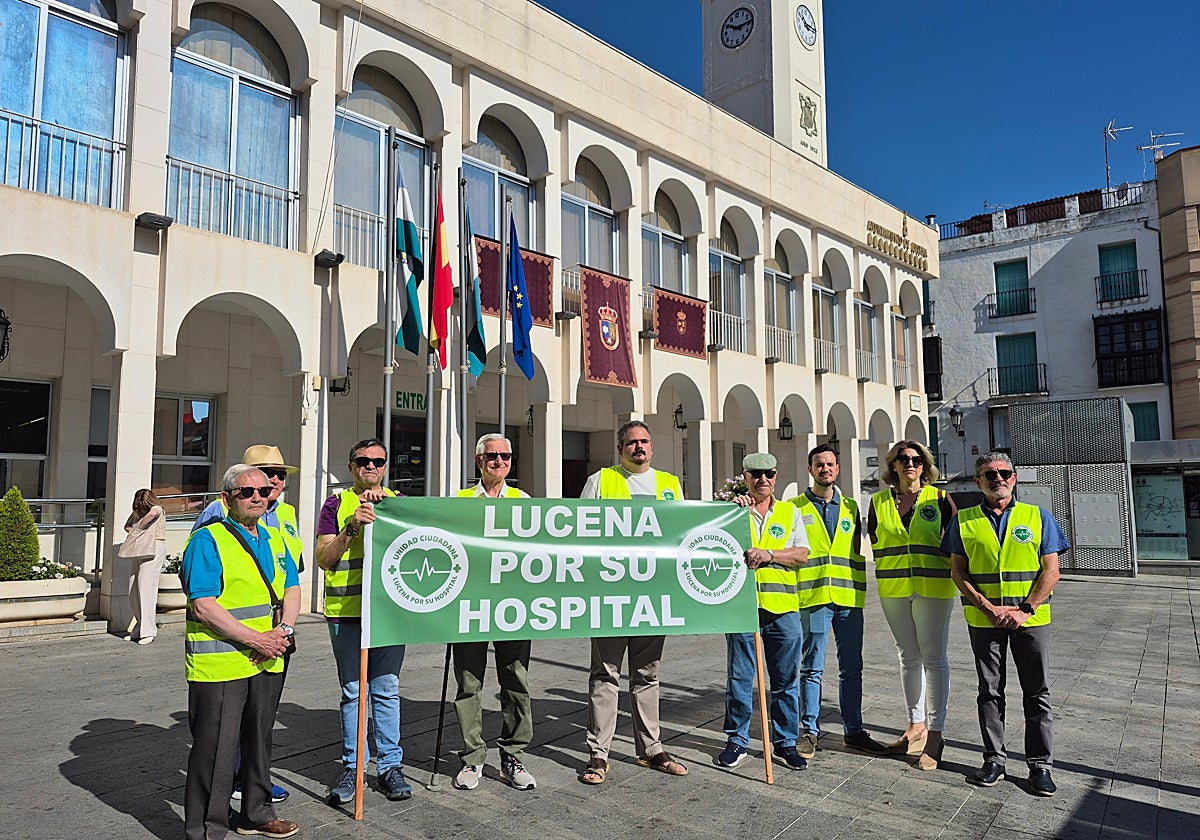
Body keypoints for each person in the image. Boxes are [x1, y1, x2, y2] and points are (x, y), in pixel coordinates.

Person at [181, 464, 300, 840]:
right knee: (215, 750)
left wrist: (285, 630)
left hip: (268, 656)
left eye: (263, 491)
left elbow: (292, 588)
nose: (257, 498)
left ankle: (256, 813)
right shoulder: (208, 539)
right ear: (226, 498)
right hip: (222, 662)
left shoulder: (275, 537)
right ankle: (206, 830)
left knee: (259, 739)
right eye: (246, 492)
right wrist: (256, 639)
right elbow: (203, 604)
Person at [945, 451, 1067, 796]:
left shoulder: (1037, 516)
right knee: (989, 691)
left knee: (1037, 693)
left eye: (1004, 473)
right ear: (978, 482)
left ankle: (1040, 765)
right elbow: (958, 571)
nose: (998, 478)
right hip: (985, 620)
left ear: (1014, 478)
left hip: (1031, 619)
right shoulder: (964, 520)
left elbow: (1051, 570)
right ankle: (994, 760)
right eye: (989, 474)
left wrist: (1025, 609)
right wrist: (986, 607)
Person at [578, 420, 688, 784]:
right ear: (620, 448)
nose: (638, 447)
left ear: (652, 448)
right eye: (631, 442)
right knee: (605, 675)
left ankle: (651, 748)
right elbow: (581, 531)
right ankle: (598, 754)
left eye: (644, 442)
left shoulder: (670, 485)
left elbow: (684, 533)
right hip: (611, 594)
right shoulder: (601, 480)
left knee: (647, 675)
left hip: (653, 595)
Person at [315, 438, 411, 804]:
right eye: (363, 461)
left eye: (378, 461)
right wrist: (352, 527)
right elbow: (325, 558)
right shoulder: (336, 504)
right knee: (353, 693)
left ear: (386, 466)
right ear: (351, 465)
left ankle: (389, 766)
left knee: (386, 689)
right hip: (346, 612)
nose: (370, 466)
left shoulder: (400, 504)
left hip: (387, 612)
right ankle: (353, 766)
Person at [791, 445, 890, 762]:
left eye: (830, 464)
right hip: (814, 597)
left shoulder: (851, 506)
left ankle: (854, 731)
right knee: (811, 668)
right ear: (810, 469)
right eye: (819, 464)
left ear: (838, 468)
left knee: (852, 668)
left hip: (848, 598)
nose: (825, 469)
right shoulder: (794, 508)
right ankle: (809, 731)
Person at [451, 433, 537, 792]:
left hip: (514, 603)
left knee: (516, 679)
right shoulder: (460, 500)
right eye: (492, 456)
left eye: (505, 456)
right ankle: (473, 758)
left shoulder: (524, 501)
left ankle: (512, 755)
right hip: (471, 602)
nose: (499, 461)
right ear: (478, 460)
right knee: (469, 682)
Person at [867, 439, 958, 770]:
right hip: (893, 590)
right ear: (893, 464)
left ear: (925, 465)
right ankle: (915, 723)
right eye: (903, 459)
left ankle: (936, 734)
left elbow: (956, 544)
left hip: (933, 589)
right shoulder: (877, 502)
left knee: (934, 659)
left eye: (917, 459)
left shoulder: (940, 498)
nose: (910, 464)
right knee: (908, 657)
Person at [717, 453, 810, 771]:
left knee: (786, 680)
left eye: (768, 473)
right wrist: (730, 509)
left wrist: (769, 554)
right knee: (740, 678)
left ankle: (785, 742)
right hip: (743, 607)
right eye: (755, 474)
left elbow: (801, 554)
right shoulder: (734, 512)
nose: (763, 479)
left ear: (776, 475)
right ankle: (737, 740)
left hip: (783, 608)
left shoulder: (789, 511)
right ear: (745, 477)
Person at [125, 488, 165, 645]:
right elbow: (127, 526)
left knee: (146, 588)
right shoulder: (138, 512)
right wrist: (137, 530)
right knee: (133, 589)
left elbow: (153, 513)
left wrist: (139, 528)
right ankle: (140, 626)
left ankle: (148, 631)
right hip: (138, 549)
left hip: (155, 548)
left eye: (143, 505)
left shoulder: (157, 509)